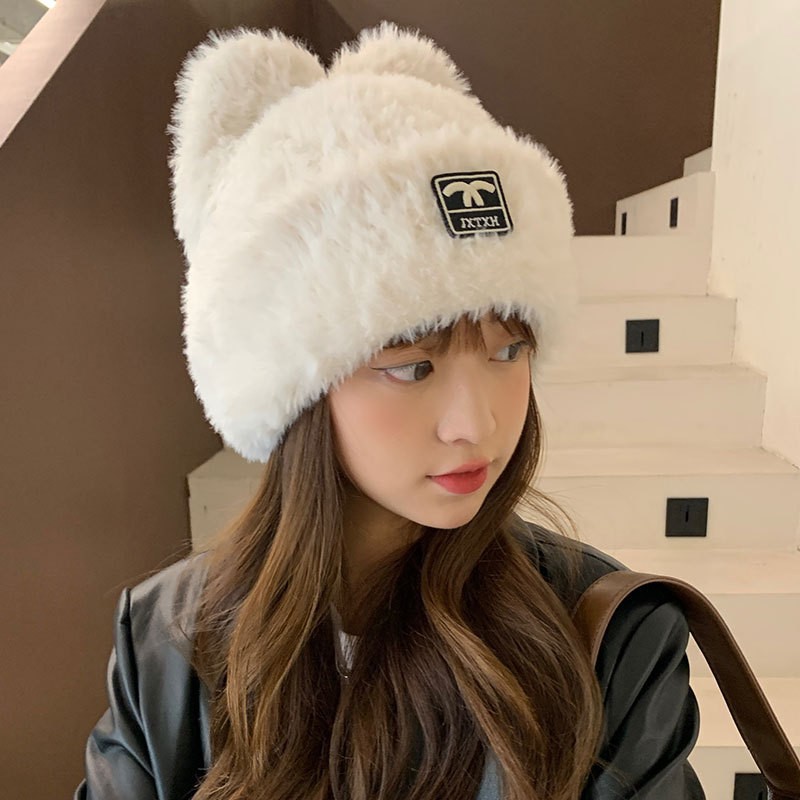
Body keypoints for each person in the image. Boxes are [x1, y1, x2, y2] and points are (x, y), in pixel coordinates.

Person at [74, 21, 705, 800]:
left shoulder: (609, 638)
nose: (476, 425)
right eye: (413, 367)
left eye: (509, 351)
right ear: (299, 389)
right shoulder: (164, 643)